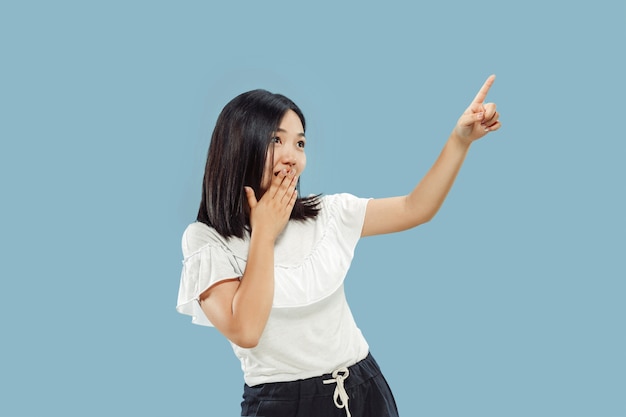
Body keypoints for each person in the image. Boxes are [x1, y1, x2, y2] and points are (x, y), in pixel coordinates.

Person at [176, 75, 501, 417]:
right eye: (276, 140)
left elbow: (414, 209)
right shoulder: (206, 240)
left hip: (364, 387)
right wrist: (264, 234)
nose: (292, 157)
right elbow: (246, 329)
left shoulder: (326, 213)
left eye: (300, 143)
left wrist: (459, 141)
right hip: (283, 403)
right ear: (239, 144)